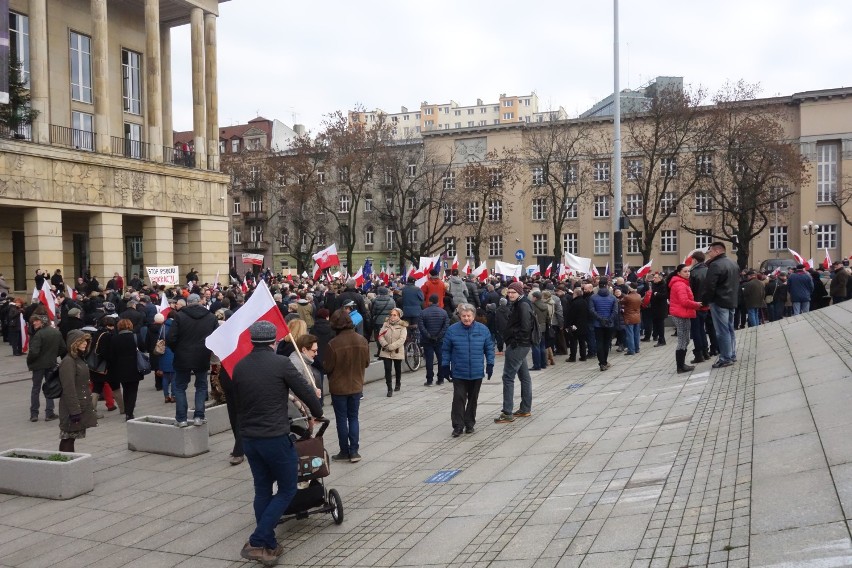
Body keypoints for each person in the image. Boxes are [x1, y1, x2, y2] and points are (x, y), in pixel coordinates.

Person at [232, 320, 323, 566]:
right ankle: (257, 540)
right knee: (287, 488)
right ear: (274, 341)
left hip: (250, 439)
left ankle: (269, 545)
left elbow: (238, 405)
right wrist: (317, 410)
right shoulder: (281, 363)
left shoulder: (240, 367)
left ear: (252, 341)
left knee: (262, 489)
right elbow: (305, 391)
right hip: (275, 437)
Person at [440, 304, 494, 437]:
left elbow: (489, 348)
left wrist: (490, 364)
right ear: (459, 316)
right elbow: (446, 350)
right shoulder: (452, 330)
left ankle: (469, 423)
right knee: (458, 398)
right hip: (459, 370)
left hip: (476, 371)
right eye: (463, 316)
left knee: (473, 398)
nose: (466, 318)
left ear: (474, 316)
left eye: (469, 316)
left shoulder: (483, 330)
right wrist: (445, 366)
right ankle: (458, 425)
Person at [324, 309, 370, 463]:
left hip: (338, 387)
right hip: (356, 385)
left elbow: (328, 367)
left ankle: (344, 450)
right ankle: (354, 451)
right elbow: (367, 363)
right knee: (354, 417)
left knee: (342, 420)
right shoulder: (362, 340)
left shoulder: (333, 344)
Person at [167, 293, 218, 427]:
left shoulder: (179, 316)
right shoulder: (211, 317)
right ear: (200, 302)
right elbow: (216, 338)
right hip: (202, 356)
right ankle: (199, 417)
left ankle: (181, 419)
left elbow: (171, 338)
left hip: (182, 356)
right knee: (201, 386)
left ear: (187, 303)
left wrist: (177, 350)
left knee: (179, 387)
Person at [494, 281, 533, 423]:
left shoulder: (522, 305)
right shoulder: (520, 303)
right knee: (524, 376)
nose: (510, 294)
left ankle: (507, 412)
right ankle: (525, 409)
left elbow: (526, 326)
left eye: (513, 292)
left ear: (520, 293)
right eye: (509, 292)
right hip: (521, 344)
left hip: (518, 345)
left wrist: (515, 341)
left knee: (508, 377)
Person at [699, 242, 741, 369]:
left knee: (722, 331)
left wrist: (705, 301)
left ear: (717, 251)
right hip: (731, 300)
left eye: (710, 251)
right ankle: (731, 354)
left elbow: (710, 286)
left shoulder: (715, 265)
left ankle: (725, 358)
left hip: (719, 301)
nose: (709, 254)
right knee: (729, 329)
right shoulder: (733, 263)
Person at [57, 330, 97, 452]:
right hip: (73, 406)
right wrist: (75, 411)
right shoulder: (68, 361)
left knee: (71, 437)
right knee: (68, 437)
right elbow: (68, 388)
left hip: (80, 404)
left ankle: (68, 462)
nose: (85, 343)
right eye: (81, 341)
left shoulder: (78, 358)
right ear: (74, 343)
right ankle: (65, 463)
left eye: (86, 340)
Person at [27, 314, 66, 422]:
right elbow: (63, 348)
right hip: (51, 364)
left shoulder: (39, 334)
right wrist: (54, 355)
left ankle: (34, 413)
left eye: (36, 321)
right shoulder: (56, 333)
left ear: (42, 322)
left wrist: (29, 361)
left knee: (36, 388)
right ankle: (49, 413)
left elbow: (34, 352)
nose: (33, 323)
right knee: (50, 387)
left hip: (38, 365)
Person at [104, 318, 143, 420]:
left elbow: (111, 356)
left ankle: (127, 410)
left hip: (120, 368)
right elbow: (143, 347)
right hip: (135, 367)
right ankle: (130, 412)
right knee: (133, 390)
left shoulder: (114, 338)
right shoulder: (135, 337)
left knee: (125, 389)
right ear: (130, 326)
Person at [668, 264, 704, 373]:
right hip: (680, 314)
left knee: (685, 339)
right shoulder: (679, 284)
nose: (688, 273)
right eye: (685, 271)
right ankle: (680, 366)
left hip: (684, 313)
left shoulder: (683, 283)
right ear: (678, 273)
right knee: (682, 340)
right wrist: (697, 304)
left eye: (688, 271)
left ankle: (682, 365)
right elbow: (684, 301)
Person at [419, 294, 450, 386]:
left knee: (429, 360)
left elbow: (421, 326)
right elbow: (446, 326)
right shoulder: (443, 312)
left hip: (427, 340)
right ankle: (440, 379)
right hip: (440, 340)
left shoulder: (423, 312)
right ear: (437, 301)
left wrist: (428, 336)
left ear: (430, 301)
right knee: (441, 359)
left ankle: (429, 380)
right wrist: (439, 336)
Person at [588, 278, 618, 372]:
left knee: (599, 343)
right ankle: (604, 361)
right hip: (609, 324)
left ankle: (602, 362)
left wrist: (600, 319)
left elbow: (592, 310)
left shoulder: (593, 297)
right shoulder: (613, 298)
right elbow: (615, 311)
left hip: (598, 324)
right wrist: (609, 319)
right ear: (607, 285)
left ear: (598, 286)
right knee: (606, 343)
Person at [377, 308, 407, 397]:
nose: (392, 317)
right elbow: (380, 336)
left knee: (397, 368)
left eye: (395, 315)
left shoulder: (402, 326)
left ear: (399, 316)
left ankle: (398, 383)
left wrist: (392, 346)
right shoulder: (385, 324)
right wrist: (385, 345)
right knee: (387, 369)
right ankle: (389, 389)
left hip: (397, 351)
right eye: (391, 314)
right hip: (386, 351)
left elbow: (402, 339)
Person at [288, 334, 323, 401]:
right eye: (314, 351)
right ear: (304, 350)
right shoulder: (296, 364)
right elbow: (294, 391)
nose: (316, 354)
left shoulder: (305, 360)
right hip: (302, 408)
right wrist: (312, 394)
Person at [369, 287, 395, 358]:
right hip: (389, 320)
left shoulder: (375, 301)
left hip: (378, 321)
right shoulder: (392, 300)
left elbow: (373, 312)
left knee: (379, 337)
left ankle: (380, 351)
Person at [565, 287, 589, 362]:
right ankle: (583, 356)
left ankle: (572, 357)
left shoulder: (574, 303)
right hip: (583, 324)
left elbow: (571, 315)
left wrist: (567, 324)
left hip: (574, 325)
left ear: (576, 294)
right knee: (582, 341)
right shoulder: (585, 302)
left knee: (573, 342)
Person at [649, 273, 669, 346]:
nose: (654, 279)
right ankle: (657, 337)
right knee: (656, 324)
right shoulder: (654, 285)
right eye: (654, 277)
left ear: (660, 278)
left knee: (660, 325)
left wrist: (657, 294)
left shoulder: (663, 285)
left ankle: (662, 340)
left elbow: (665, 296)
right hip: (654, 308)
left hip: (660, 309)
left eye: (655, 277)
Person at [621, 285, 642, 356]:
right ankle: (637, 348)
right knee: (636, 334)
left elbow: (621, 302)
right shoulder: (639, 295)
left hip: (629, 317)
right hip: (637, 316)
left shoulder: (627, 297)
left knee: (630, 334)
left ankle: (631, 350)